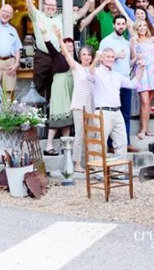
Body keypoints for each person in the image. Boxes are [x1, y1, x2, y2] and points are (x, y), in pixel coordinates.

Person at [26, 0, 96, 102]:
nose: (51, 7)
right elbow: (29, 5)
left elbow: (79, 14)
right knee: (39, 84)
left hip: (57, 56)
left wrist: (89, 2)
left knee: (56, 85)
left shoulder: (61, 18)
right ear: (44, 6)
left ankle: (52, 113)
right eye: (48, 5)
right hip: (42, 56)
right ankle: (39, 115)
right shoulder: (38, 16)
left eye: (53, 5)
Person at [88, 48, 145, 179]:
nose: (110, 59)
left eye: (112, 57)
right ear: (102, 58)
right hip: (102, 112)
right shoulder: (96, 71)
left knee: (122, 142)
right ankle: (98, 172)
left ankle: (118, 171)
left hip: (116, 112)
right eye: (107, 56)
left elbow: (132, 84)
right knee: (99, 143)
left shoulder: (117, 74)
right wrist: (95, 60)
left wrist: (140, 71)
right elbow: (89, 74)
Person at [52, 26, 96, 172]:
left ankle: (91, 161)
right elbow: (65, 53)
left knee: (91, 134)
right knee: (79, 134)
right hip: (78, 105)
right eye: (84, 54)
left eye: (89, 55)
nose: (86, 57)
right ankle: (76, 163)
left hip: (90, 105)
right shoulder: (76, 67)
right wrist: (59, 37)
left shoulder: (94, 69)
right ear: (80, 55)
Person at [98, 13, 139, 152]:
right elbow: (101, 60)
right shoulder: (106, 41)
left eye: (123, 24)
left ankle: (125, 143)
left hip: (125, 81)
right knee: (111, 113)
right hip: (111, 82)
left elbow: (127, 63)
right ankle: (109, 144)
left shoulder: (127, 43)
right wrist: (116, 56)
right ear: (113, 25)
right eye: (118, 24)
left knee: (125, 114)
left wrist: (136, 59)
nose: (121, 26)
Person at [130, 10, 154, 139]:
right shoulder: (134, 41)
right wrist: (137, 58)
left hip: (153, 70)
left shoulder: (151, 38)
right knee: (144, 100)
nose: (142, 28)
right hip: (142, 70)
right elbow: (132, 59)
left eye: (144, 26)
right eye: (139, 26)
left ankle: (146, 129)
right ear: (136, 28)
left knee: (149, 102)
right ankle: (142, 129)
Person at [38, 22, 75, 156]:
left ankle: (66, 146)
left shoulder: (74, 60)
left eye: (71, 47)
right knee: (57, 114)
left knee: (67, 119)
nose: (69, 48)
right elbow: (49, 45)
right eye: (67, 46)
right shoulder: (57, 56)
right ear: (61, 47)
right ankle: (48, 146)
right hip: (59, 88)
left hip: (70, 88)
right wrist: (44, 32)